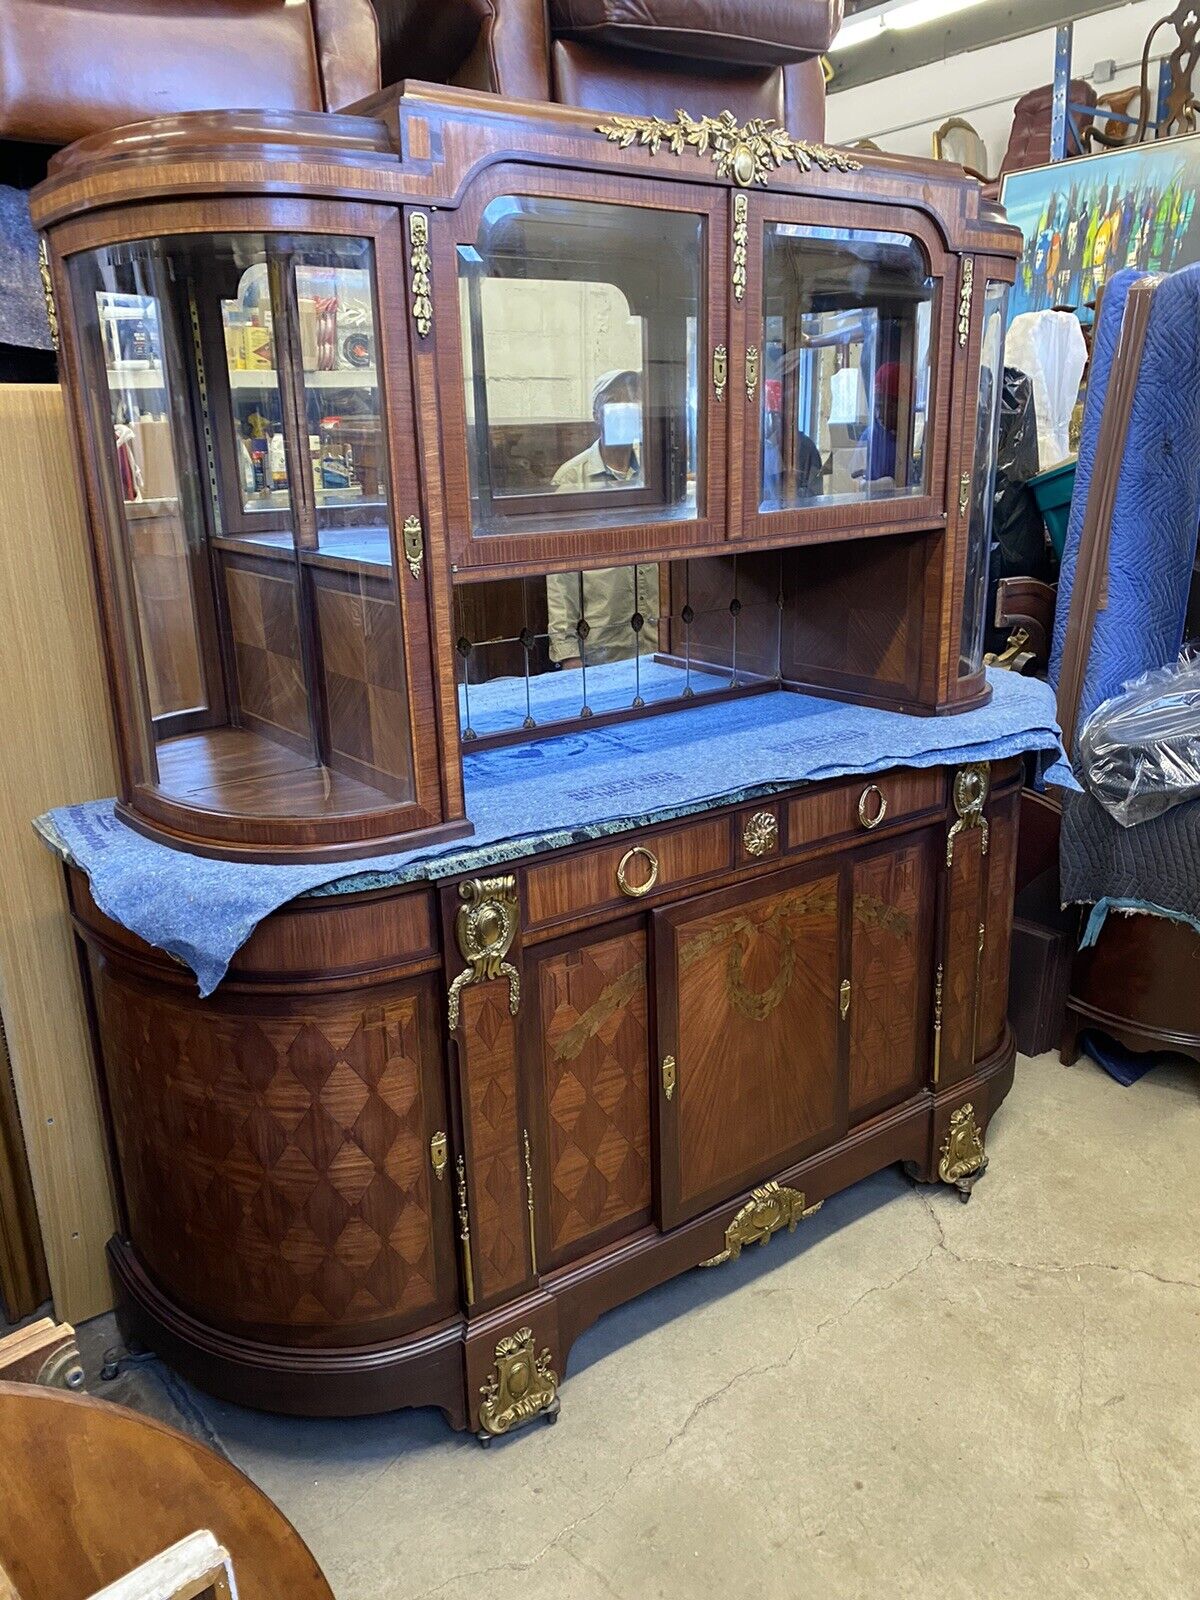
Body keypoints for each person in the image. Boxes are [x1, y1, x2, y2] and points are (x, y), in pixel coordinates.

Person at [546, 369, 659, 668]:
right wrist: (567, 652)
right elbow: (560, 575)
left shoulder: (657, 473)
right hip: (605, 650)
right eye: (614, 403)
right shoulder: (573, 478)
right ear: (597, 414)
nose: (626, 409)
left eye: (633, 403)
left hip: (660, 642)